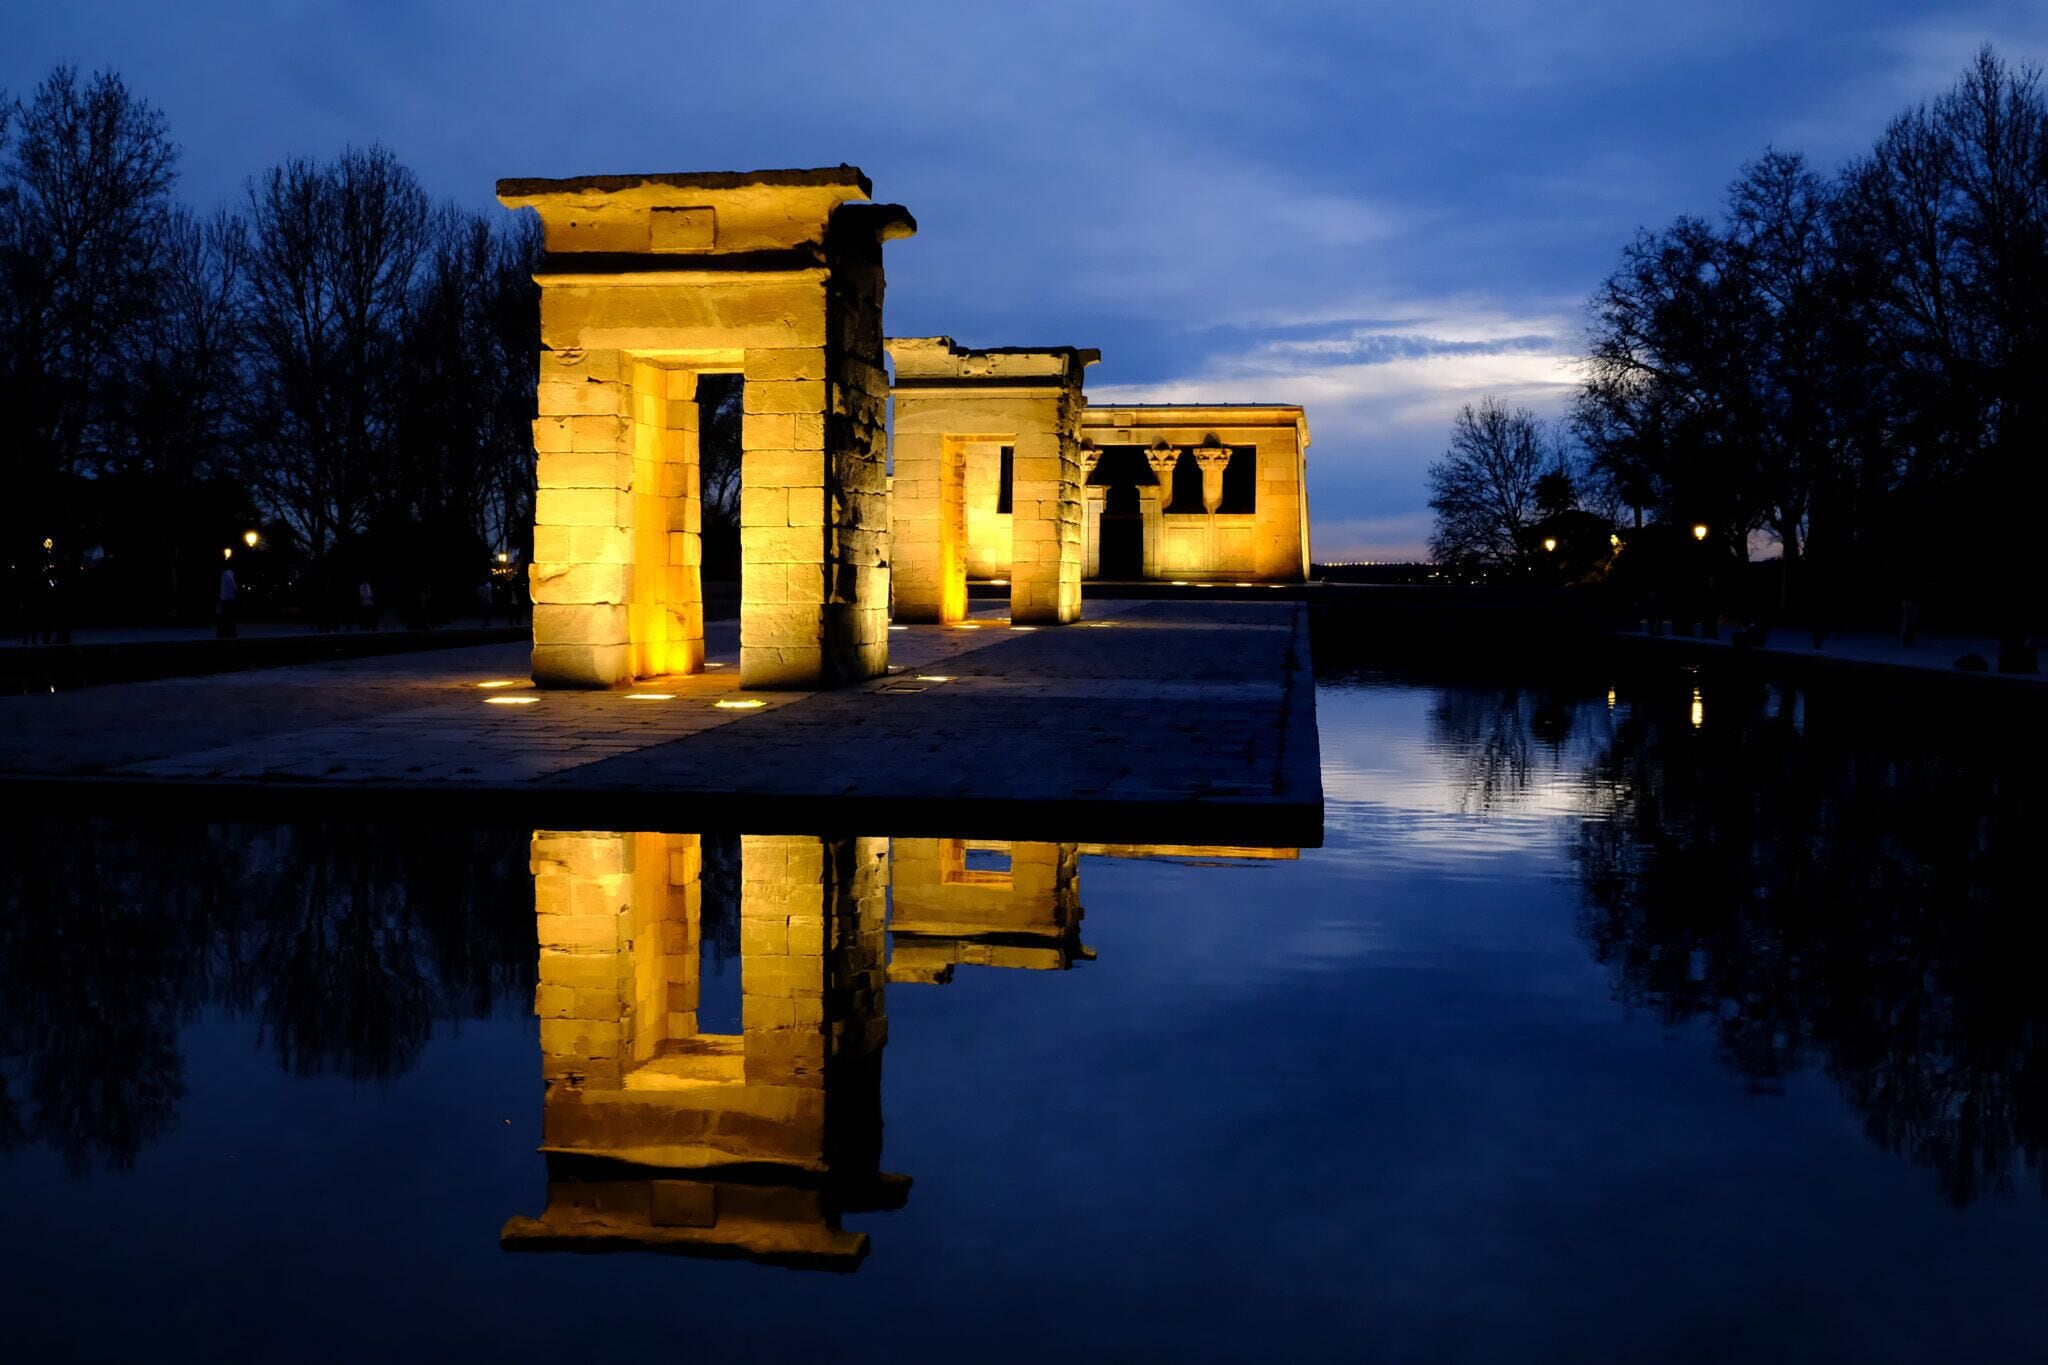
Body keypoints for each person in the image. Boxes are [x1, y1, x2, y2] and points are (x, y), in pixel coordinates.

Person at [217, 561, 238, 639]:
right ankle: (229, 632)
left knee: (226, 616)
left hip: (226, 599)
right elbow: (233, 586)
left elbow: (232, 586)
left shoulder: (226, 574)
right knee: (228, 616)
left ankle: (227, 632)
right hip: (227, 599)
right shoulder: (227, 574)